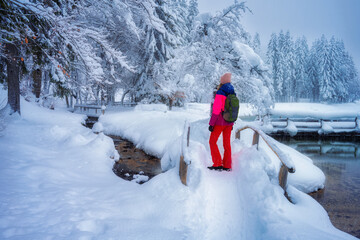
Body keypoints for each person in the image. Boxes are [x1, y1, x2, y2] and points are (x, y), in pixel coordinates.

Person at [208, 72, 235, 171]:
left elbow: (216, 110)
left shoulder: (220, 92)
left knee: (212, 142)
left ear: (222, 81)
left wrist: (211, 124)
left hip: (219, 122)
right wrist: (232, 122)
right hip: (229, 122)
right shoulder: (233, 92)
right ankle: (227, 165)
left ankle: (217, 163)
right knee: (227, 144)